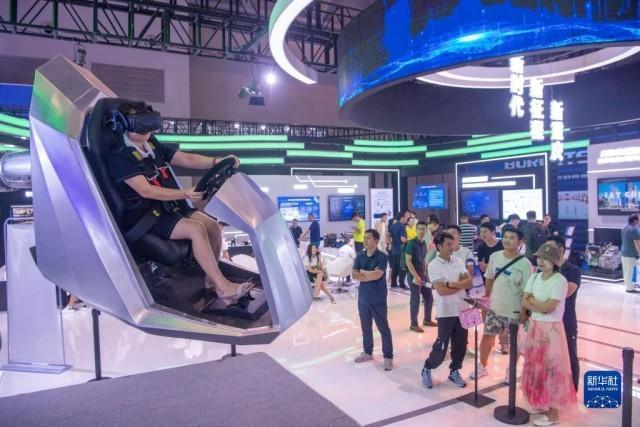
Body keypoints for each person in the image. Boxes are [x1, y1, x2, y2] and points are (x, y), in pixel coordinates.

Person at [108, 102, 252, 302]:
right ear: (125, 125)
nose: (147, 131)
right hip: (146, 216)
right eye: (141, 125)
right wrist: (185, 194)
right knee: (196, 229)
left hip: (167, 207)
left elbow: (186, 159)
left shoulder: (151, 145)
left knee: (212, 226)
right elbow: (145, 190)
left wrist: (215, 161)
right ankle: (223, 286)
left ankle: (211, 281)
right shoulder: (120, 157)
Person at [521, 243, 576, 426]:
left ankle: (553, 415)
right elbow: (524, 300)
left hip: (551, 329)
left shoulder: (560, 280)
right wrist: (538, 305)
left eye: (546, 258)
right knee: (536, 366)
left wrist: (534, 303)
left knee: (552, 369)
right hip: (535, 326)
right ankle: (541, 402)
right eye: (539, 257)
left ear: (555, 262)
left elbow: (549, 308)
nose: (541, 261)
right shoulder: (534, 276)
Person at [471, 225, 532, 380]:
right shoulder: (495, 257)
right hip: (495, 308)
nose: (507, 240)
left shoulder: (525, 264)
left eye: (511, 238)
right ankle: (482, 366)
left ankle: (511, 370)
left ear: (520, 242)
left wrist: (524, 312)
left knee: (515, 343)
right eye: (505, 237)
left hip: (514, 311)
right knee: (487, 336)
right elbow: (489, 277)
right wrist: (486, 299)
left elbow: (527, 291)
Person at [421, 232, 472, 389]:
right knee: (442, 344)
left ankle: (454, 371)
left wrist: (450, 284)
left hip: (463, 309)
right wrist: (459, 285)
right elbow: (441, 291)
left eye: (452, 244)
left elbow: (469, 282)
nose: (452, 247)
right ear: (439, 246)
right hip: (446, 311)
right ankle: (428, 367)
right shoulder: (433, 265)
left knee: (461, 343)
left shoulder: (458, 261)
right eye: (448, 244)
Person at [353, 229, 393, 371]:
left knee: (383, 328)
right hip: (363, 298)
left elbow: (378, 275)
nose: (365, 240)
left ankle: (388, 356)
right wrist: (368, 274)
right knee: (366, 327)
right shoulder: (360, 256)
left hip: (378, 298)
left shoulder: (382, 257)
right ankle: (368, 352)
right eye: (364, 238)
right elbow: (354, 274)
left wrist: (363, 272)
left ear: (376, 240)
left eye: (368, 238)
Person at [547, 235, 581, 391]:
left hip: (566, 320)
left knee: (569, 355)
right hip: (547, 320)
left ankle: (572, 390)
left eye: (550, 248)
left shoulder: (573, 270)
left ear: (560, 250)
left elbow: (566, 292)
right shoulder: (544, 271)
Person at [476, 222, 508, 354]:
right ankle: (491, 337)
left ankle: (504, 343)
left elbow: (504, 265)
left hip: (503, 284)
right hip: (487, 284)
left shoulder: (502, 245)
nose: (482, 234)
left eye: (485, 232)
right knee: (487, 312)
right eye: (481, 232)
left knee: (502, 314)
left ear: (493, 232)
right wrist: (489, 267)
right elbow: (482, 267)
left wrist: (488, 266)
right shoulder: (481, 248)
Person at [405, 221, 437, 333]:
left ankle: (427, 320)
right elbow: (408, 261)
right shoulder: (411, 243)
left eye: (423, 229)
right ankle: (413, 324)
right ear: (416, 230)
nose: (421, 231)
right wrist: (416, 276)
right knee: (415, 299)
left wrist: (425, 274)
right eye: (419, 229)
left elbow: (423, 260)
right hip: (414, 275)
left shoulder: (424, 244)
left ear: (426, 231)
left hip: (423, 275)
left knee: (429, 297)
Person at [389, 211, 409, 289]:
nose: (407, 219)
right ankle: (402, 284)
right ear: (402, 217)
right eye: (406, 217)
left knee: (395, 267)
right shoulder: (402, 226)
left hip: (394, 250)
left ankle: (393, 283)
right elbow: (403, 239)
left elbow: (388, 235)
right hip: (401, 250)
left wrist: (391, 243)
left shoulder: (393, 225)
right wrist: (410, 241)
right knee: (402, 267)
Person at [621, 214, 640, 293]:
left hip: (624, 252)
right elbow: (637, 243)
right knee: (631, 272)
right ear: (635, 220)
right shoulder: (634, 229)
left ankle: (630, 286)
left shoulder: (624, 228)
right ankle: (629, 288)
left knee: (627, 271)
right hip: (631, 254)